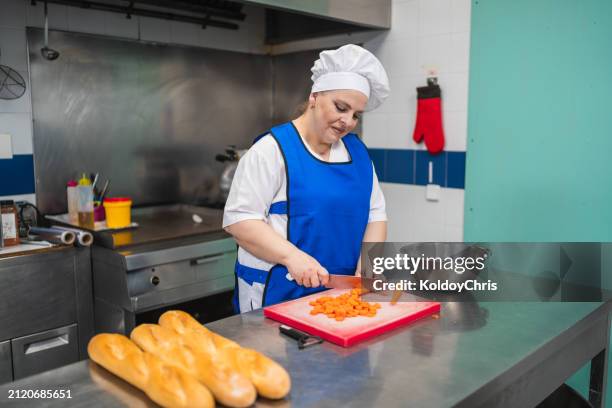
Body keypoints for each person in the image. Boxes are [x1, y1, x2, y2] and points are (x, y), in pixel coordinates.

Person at [223, 44, 390, 313]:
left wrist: (368, 264)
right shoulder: (272, 149)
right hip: (277, 290)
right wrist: (292, 257)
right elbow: (240, 220)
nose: (347, 121)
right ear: (315, 97)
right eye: (341, 107)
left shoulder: (358, 153)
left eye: (356, 114)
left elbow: (375, 213)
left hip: (339, 296)